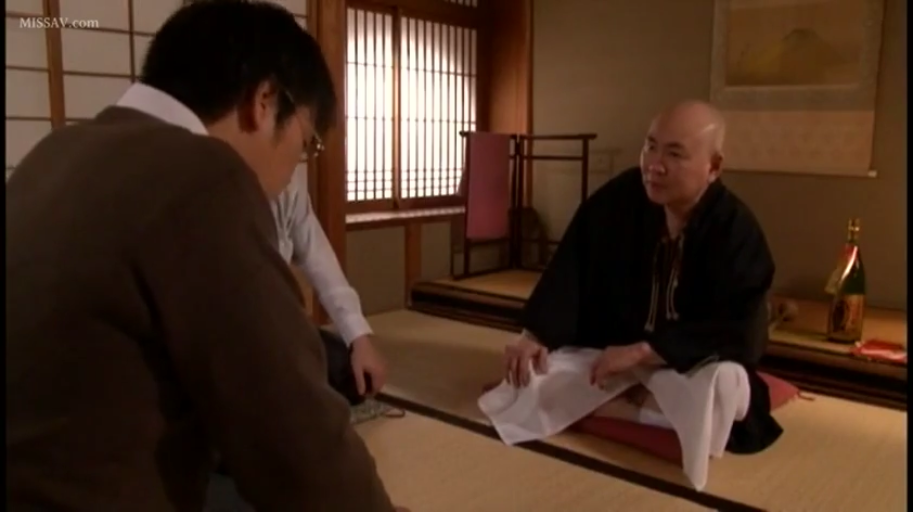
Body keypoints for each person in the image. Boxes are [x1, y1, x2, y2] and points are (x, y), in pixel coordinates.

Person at [6, 1, 406, 511]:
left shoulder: (54, 153)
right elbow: (299, 445)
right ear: (264, 100)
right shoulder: (204, 177)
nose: (293, 171)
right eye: (305, 146)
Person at [503, 100, 783, 453]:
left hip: (683, 364)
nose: (654, 165)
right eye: (650, 146)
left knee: (725, 385)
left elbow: (741, 331)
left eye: (674, 154)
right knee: (531, 374)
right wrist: (535, 333)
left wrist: (645, 352)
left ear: (713, 167)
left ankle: (623, 406)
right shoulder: (621, 197)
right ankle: (649, 410)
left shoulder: (736, 231)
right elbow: (573, 264)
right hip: (611, 351)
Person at [272, 167, 387, 401]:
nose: (301, 159)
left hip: (281, 325)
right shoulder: (223, 187)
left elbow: (319, 259)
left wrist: (359, 338)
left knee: (351, 378)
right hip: (234, 334)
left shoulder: (292, 181)